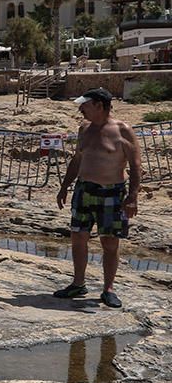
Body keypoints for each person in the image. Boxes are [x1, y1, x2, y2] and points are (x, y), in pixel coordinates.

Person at [55, 87, 142, 308]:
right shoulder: (84, 129)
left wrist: (132, 197)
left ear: (99, 106)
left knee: (110, 241)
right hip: (84, 190)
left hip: (112, 192)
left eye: (85, 105)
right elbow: (77, 160)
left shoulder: (123, 130)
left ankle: (108, 289)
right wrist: (65, 186)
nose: (81, 109)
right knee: (78, 237)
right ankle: (78, 283)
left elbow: (136, 165)